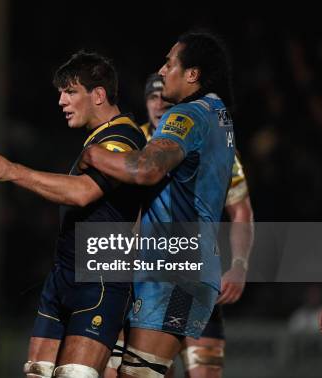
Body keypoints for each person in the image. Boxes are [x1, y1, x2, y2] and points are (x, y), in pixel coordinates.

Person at [80, 31, 236, 377]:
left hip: (177, 271)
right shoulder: (218, 113)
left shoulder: (187, 116)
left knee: (138, 374)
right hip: (181, 266)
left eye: (170, 63)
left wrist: (93, 154)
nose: (162, 71)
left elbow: (148, 169)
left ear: (192, 74)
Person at [0, 51, 146, 377]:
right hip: (64, 276)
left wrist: (14, 171)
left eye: (70, 91)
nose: (61, 100)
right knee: (37, 372)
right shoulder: (98, 139)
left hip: (98, 279)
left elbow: (83, 192)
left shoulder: (121, 139)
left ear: (98, 94)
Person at [104, 73, 254, 378]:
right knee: (145, 370)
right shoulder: (128, 143)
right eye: (152, 97)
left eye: (165, 98)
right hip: (141, 278)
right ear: (144, 103)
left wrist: (239, 264)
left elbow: (241, 211)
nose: (159, 104)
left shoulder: (213, 143)